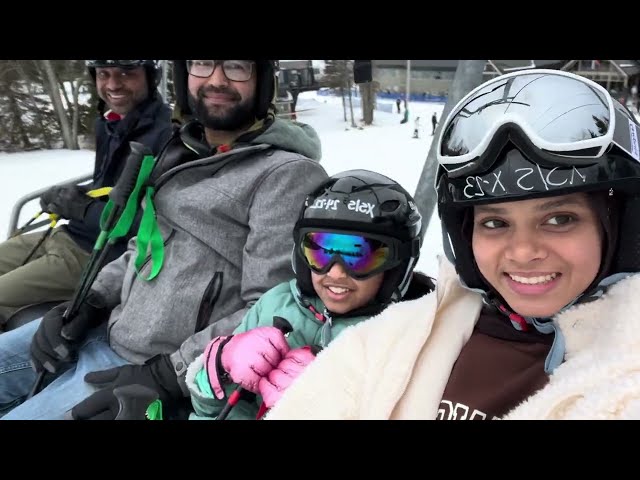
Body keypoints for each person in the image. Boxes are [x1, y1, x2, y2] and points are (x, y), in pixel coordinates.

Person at [265, 69, 640, 420]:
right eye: (495, 223)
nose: (523, 251)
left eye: (559, 219)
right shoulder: (403, 335)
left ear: (618, 226)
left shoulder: (627, 374)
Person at [0, 59, 328, 420]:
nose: (216, 80)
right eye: (203, 64)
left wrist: (168, 373)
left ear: (264, 81)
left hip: (150, 364)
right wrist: (90, 301)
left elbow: (272, 307)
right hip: (104, 328)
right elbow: (139, 247)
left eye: (236, 67)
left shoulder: (284, 176)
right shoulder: (180, 150)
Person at [183, 170, 434, 420]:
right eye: (320, 252)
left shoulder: (406, 338)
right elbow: (214, 413)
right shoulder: (276, 305)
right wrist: (219, 370)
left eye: (357, 256)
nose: (335, 273)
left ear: (396, 267)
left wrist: (327, 404)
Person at [0, 60, 173, 330]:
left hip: (94, 255)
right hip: (68, 236)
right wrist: (71, 197)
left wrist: (82, 209)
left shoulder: (167, 139)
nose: (113, 84)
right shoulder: (111, 125)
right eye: (104, 74)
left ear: (151, 78)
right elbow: (111, 189)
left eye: (126, 74)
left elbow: (159, 226)